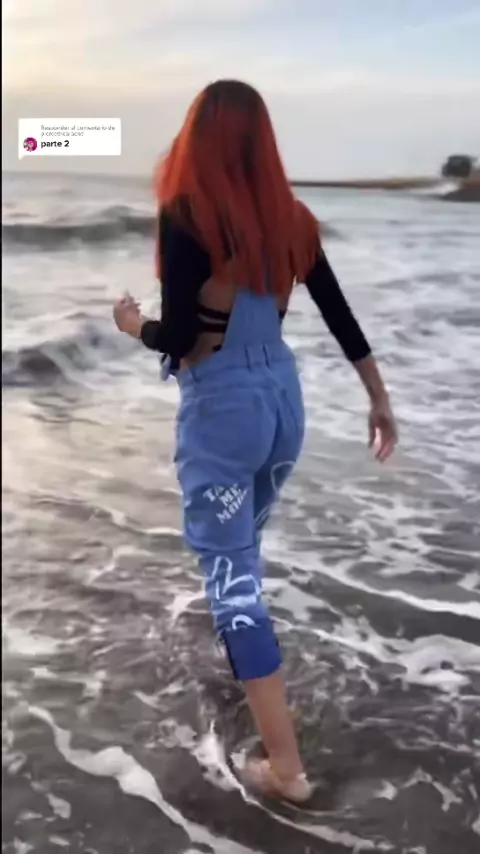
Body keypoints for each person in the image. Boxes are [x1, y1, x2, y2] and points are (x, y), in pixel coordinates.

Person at [113, 79, 397, 803]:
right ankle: (253, 663)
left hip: (225, 412)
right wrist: (378, 397)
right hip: (282, 405)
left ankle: (285, 767)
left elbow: (180, 337)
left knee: (233, 578)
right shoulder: (289, 218)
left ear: (197, 138)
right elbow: (338, 312)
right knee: (241, 552)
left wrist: (132, 325)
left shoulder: (187, 213)